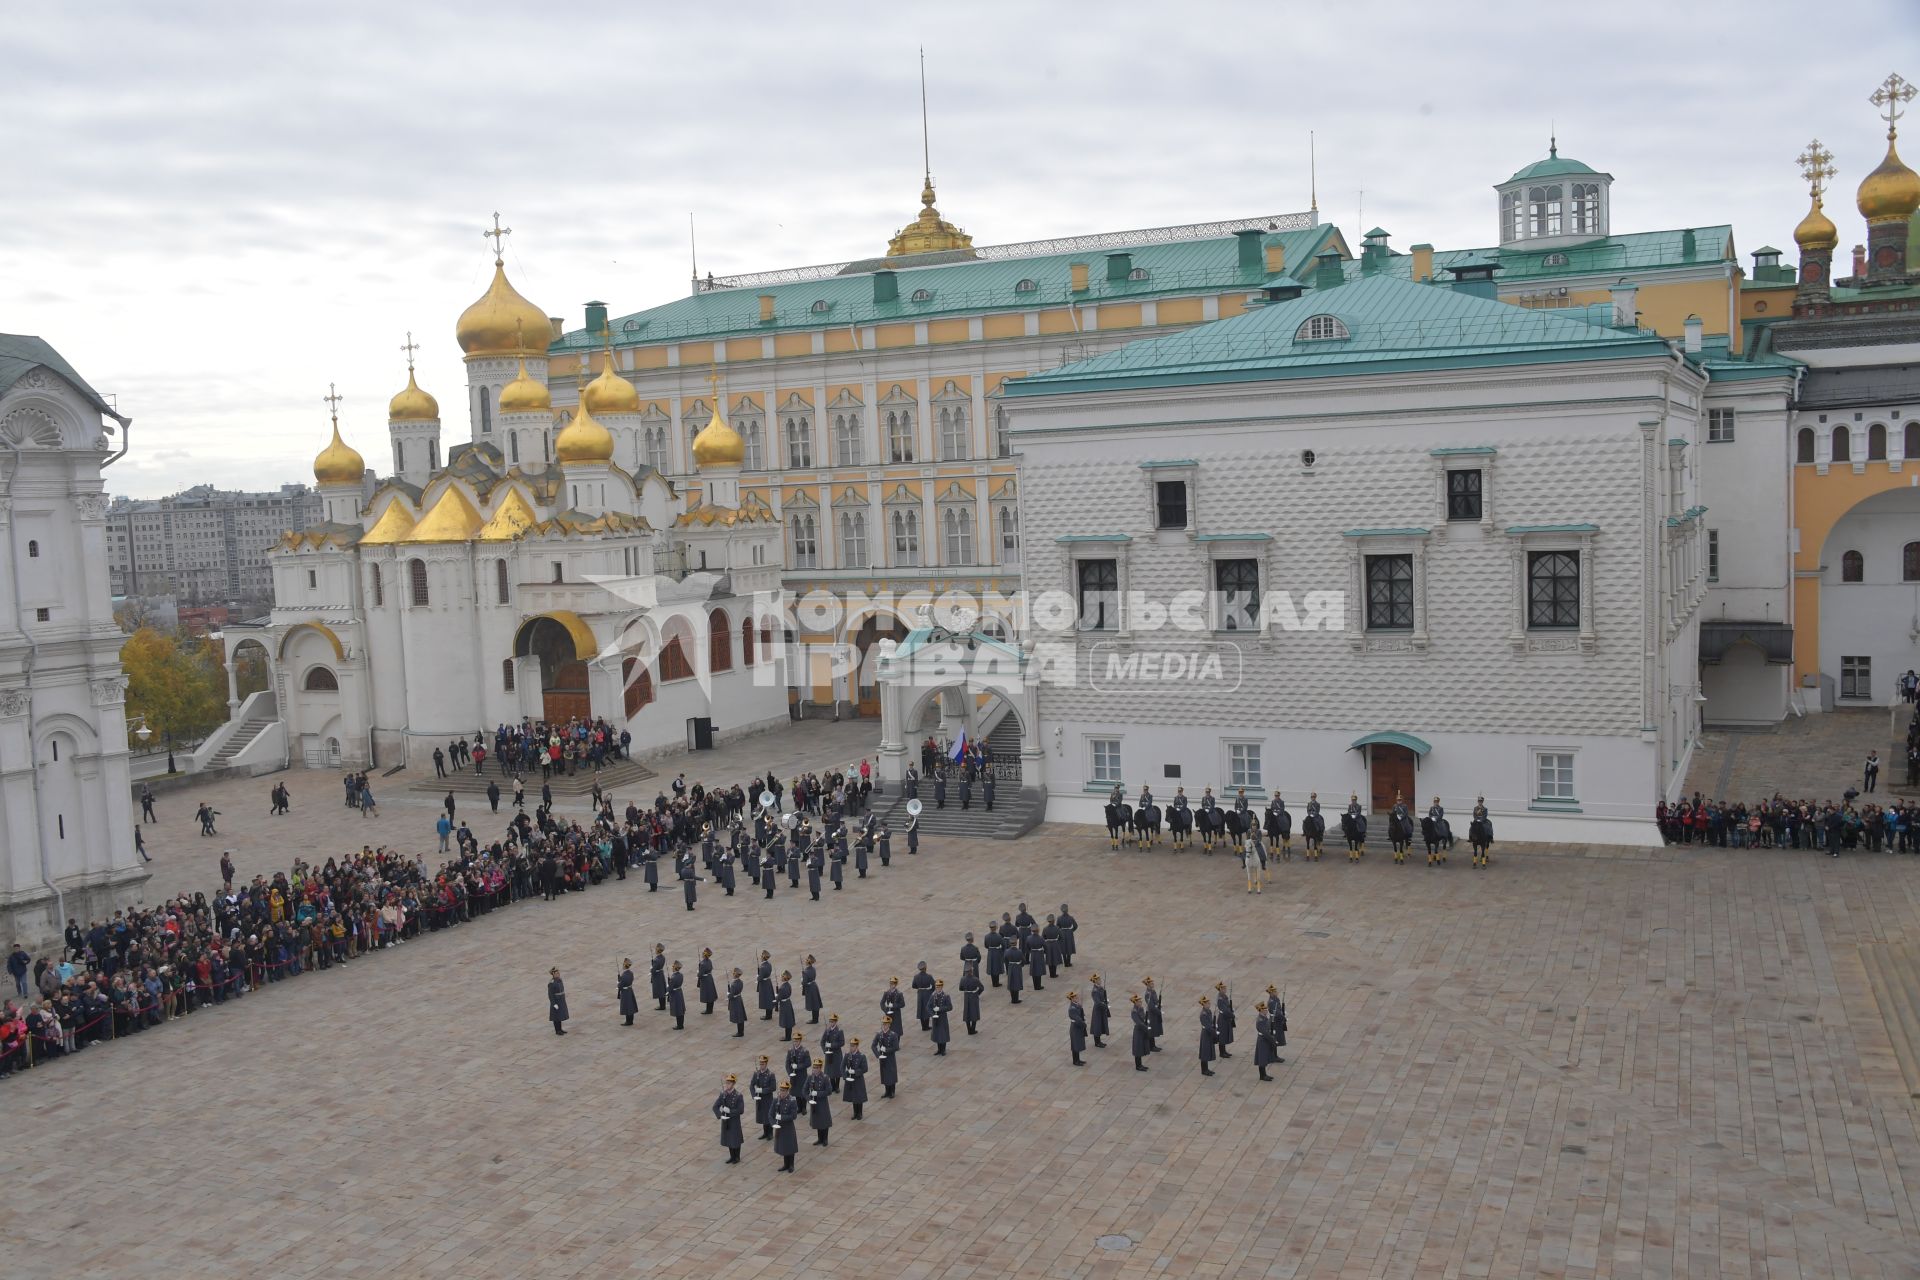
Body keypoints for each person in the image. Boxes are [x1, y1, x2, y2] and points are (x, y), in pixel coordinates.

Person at [714, 1074, 746, 1164]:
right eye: (726, 1083)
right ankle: (732, 1156)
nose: (727, 1085)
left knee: (735, 1139)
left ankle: (737, 1157)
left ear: (733, 1084)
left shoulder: (738, 1096)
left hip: (734, 1121)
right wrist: (720, 1115)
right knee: (728, 1139)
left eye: (729, 1083)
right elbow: (715, 1107)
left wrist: (730, 1111)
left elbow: (741, 1110)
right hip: (726, 1121)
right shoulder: (723, 1095)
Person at [770, 1081, 800, 1172]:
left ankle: (791, 1165)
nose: (781, 1092)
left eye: (783, 1090)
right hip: (779, 1127)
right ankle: (785, 1164)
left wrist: (782, 1117)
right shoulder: (776, 1100)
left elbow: (793, 1116)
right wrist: (774, 1123)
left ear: (787, 1091)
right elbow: (770, 1114)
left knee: (790, 1146)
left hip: (788, 1126)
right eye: (780, 1090)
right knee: (783, 1146)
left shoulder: (792, 1101)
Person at [806, 1058, 833, 1146]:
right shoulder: (810, 1077)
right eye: (814, 1067)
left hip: (822, 1103)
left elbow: (829, 1091)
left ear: (820, 1068)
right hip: (814, 1103)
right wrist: (809, 1098)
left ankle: (825, 1139)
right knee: (817, 1121)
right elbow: (804, 1089)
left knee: (824, 1121)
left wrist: (818, 1093)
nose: (815, 1069)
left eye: (817, 1067)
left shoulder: (825, 1078)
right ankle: (819, 1139)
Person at [750, 1055, 777, 1140]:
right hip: (760, 1099)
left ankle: (770, 1133)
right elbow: (751, 1085)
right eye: (760, 1063)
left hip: (768, 1099)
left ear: (766, 1064)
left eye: (763, 1064)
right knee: (762, 1116)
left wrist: (761, 1090)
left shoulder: (770, 1075)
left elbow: (773, 1088)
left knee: (768, 1116)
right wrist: (754, 1095)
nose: (761, 1065)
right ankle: (765, 1133)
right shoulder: (756, 1074)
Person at [842, 1036, 869, 1119]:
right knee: (853, 1096)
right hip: (850, 1079)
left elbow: (865, 1068)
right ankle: (855, 1113)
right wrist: (845, 1076)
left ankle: (860, 1113)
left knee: (859, 1097)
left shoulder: (861, 1056)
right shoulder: (847, 1055)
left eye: (853, 1046)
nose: (851, 1047)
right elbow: (842, 1066)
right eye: (850, 1045)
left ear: (857, 1046)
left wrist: (855, 1071)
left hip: (858, 1079)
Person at [874, 1014, 900, 1098]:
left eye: (886, 1024)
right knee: (884, 1074)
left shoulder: (893, 1035)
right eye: (883, 1024)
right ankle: (886, 1091)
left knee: (891, 1074)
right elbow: (873, 1046)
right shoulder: (879, 1034)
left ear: (889, 1025)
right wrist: (878, 1055)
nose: (884, 1026)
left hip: (890, 1057)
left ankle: (892, 1091)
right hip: (883, 1058)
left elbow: (896, 1047)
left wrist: (887, 1050)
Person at [821, 1013, 845, 1091]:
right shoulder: (827, 1031)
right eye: (830, 1021)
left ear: (836, 1022)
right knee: (830, 1071)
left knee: (837, 1070)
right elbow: (822, 1042)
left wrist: (831, 1045)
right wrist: (825, 1050)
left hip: (836, 1053)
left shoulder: (839, 1031)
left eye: (833, 1021)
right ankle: (832, 1085)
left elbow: (842, 1042)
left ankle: (837, 1086)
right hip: (829, 1054)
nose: (831, 1023)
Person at [929, 978, 953, 1055]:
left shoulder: (946, 996)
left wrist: (940, 1009)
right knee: (937, 1034)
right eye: (936, 986)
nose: (938, 988)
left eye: (939, 986)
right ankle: (939, 1049)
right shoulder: (933, 996)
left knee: (943, 1034)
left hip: (942, 1017)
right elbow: (928, 1006)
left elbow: (950, 1007)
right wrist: (932, 1014)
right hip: (935, 1018)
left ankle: (943, 1050)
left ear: (942, 987)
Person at [959, 962, 983, 1035]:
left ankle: (969, 1030)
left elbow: (960, 988)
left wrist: (967, 990)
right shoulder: (975, 979)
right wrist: (977, 993)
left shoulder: (962, 979)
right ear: (971, 971)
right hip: (973, 996)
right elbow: (982, 988)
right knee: (974, 1012)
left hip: (967, 996)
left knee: (967, 1013)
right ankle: (973, 1029)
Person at [1198, 995, 1218, 1076]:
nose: (1209, 1004)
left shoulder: (1208, 1011)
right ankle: (1204, 1070)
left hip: (1209, 1033)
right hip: (1206, 1034)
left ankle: (1206, 1069)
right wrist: (1214, 1032)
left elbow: (1211, 1023)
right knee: (1204, 1053)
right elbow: (1207, 1026)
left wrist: (1214, 1026)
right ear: (1204, 1004)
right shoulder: (1203, 1014)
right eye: (1208, 1003)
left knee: (1207, 1051)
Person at [911, 961, 935, 1030]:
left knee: (921, 1009)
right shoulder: (929, 976)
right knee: (927, 1008)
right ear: (925, 968)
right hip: (927, 993)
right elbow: (933, 985)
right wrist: (930, 991)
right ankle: (926, 1026)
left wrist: (919, 988)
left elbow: (913, 986)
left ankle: (923, 1026)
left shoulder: (916, 977)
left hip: (920, 993)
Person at [1129, 993, 1150, 1071]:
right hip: (1138, 1031)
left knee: (1141, 1048)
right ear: (1135, 1002)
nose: (1141, 1003)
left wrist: (1147, 1021)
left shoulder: (1140, 1008)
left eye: (1141, 1001)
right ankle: (1138, 1066)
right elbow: (1139, 1023)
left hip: (1143, 1030)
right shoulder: (1134, 1011)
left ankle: (1140, 1064)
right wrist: (1146, 1028)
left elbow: (1144, 1018)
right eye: (1139, 1002)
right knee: (1138, 1049)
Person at [1089, 973, 1110, 1048]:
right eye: (1098, 980)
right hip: (1098, 1010)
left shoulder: (1100, 988)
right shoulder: (1095, 991)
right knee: (1097, 1026)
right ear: (1095, 981)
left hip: (1101, 1009)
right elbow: (1097, 1002)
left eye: (1099, 979)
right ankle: (1097, 1042)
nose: (1100, 980)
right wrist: (1105, 1005)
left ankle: (1099, 1041)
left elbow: (1103, 997)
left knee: (1100, 1025)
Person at [1068, 990, 1088, 1066]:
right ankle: (1075, 1061)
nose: (1077, 998)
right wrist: (1084, 1024)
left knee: (1077, 1044)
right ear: (1072, 999)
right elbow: (1078, 1019)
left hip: (1077, 1027)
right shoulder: (1072, 1008)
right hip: (1075, 1028)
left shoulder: (1076, 1005)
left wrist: (1079, 1007)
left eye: (1077, 997)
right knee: (1075, 1045)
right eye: (1075, 997)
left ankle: (1078, 1059)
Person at [1142, 976, 1163, 1052]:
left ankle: (1153, 1045)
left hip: (1155, 1013)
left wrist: (1159, 1004)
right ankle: (1151, 1047)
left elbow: (1156, 1001)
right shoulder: (1148, 994)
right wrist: (1158, 1011)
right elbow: (1151, 1006)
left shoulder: (1153, 991)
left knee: (1153, 1030)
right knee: (1151, 1031)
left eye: (1152, 983)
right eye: (1151, 983)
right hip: (1152, 1014)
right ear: (1147, 985)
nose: (1153, 984)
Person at [617, 957, 638, 1026]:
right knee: (630, 1005)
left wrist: (618, 982)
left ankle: (628, 1021)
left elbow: (620, 986)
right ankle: (631, 1020)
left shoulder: (624, 976)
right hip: (630, 990)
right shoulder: (630, 973)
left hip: (625, 992)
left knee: (626, 1006)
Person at [547, 967, 568, 1036]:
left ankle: (560, 1029)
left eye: (558, 973)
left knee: (560, 1015)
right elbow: (550, 995)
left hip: (561, 1001)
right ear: (553, 974)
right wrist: (554, 1004)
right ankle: (557, 1030)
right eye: (556, 973)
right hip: (556, 1001)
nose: (558, 974)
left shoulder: (559, 980)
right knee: (556, 1017)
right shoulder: (551, 983)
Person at [727, 966, 747, 1037]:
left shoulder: (733, 985)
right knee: (740, 1016)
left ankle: (740, 1032)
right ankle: (741, 1031)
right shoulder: (740, 982)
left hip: (735, 1001)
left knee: (738, 1017)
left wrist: (728, 994)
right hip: (739, 999)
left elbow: (731, 995)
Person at [802, 956, 823, 1025]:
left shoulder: (805, 972)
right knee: (816, 1003)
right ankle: (816, 1018)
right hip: (814, 986)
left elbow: (804, 982)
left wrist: (802, 980)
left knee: (813, 1003)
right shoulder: (813, 969)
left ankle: (814, 1020)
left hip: (809, 988)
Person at [666, 960, 687, 1030]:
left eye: (673, 967)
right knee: (681, 1010)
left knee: (678, 1010)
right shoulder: (680, 975)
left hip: (675, 994)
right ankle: (681, 1024)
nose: (672, 968)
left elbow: (670, 988)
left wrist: (668, 986)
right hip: (679, 992)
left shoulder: (673, 977)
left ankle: (679, 1025)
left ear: (675, 968)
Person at [776, 970, 796, 1040]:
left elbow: (778, 999)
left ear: (784, 978)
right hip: (788, 1003)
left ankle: (787, 1037)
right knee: (789, 1020)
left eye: (782, 976)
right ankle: (788, 1036)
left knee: (786, 1021)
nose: (781, 977)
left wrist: (776, 996)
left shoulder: (782, 988)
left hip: (784, 1005)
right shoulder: (788, 985)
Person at [698, 949, 718, 1016]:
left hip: (705, 980)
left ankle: (708, 1010)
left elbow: (700, 975)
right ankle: (710, 1009)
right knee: (711, 994)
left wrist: (698, 972)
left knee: (707, 995)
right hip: (709, 978)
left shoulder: (703, 964)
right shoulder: (709, 961)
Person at [757, 951, 775, 1021]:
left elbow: (760, 978)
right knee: (769, 998)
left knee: (766, 999)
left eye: (761, 956)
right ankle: (769, 1013)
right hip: (768, 982)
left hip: (764, 984)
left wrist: (757, 976)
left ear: (763, 957)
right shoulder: (769, 964)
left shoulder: (762, 967)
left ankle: (768, 1015)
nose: (760, 957)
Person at [651, 944, 668, 1011]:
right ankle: (663, 1005)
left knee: (659, 991)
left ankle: (662, 1006)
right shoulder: (662, 957)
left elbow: (653, 970)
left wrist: (651, 968)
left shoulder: (656, 960)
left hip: (657, 976)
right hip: (661, 974)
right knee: (662, 990)